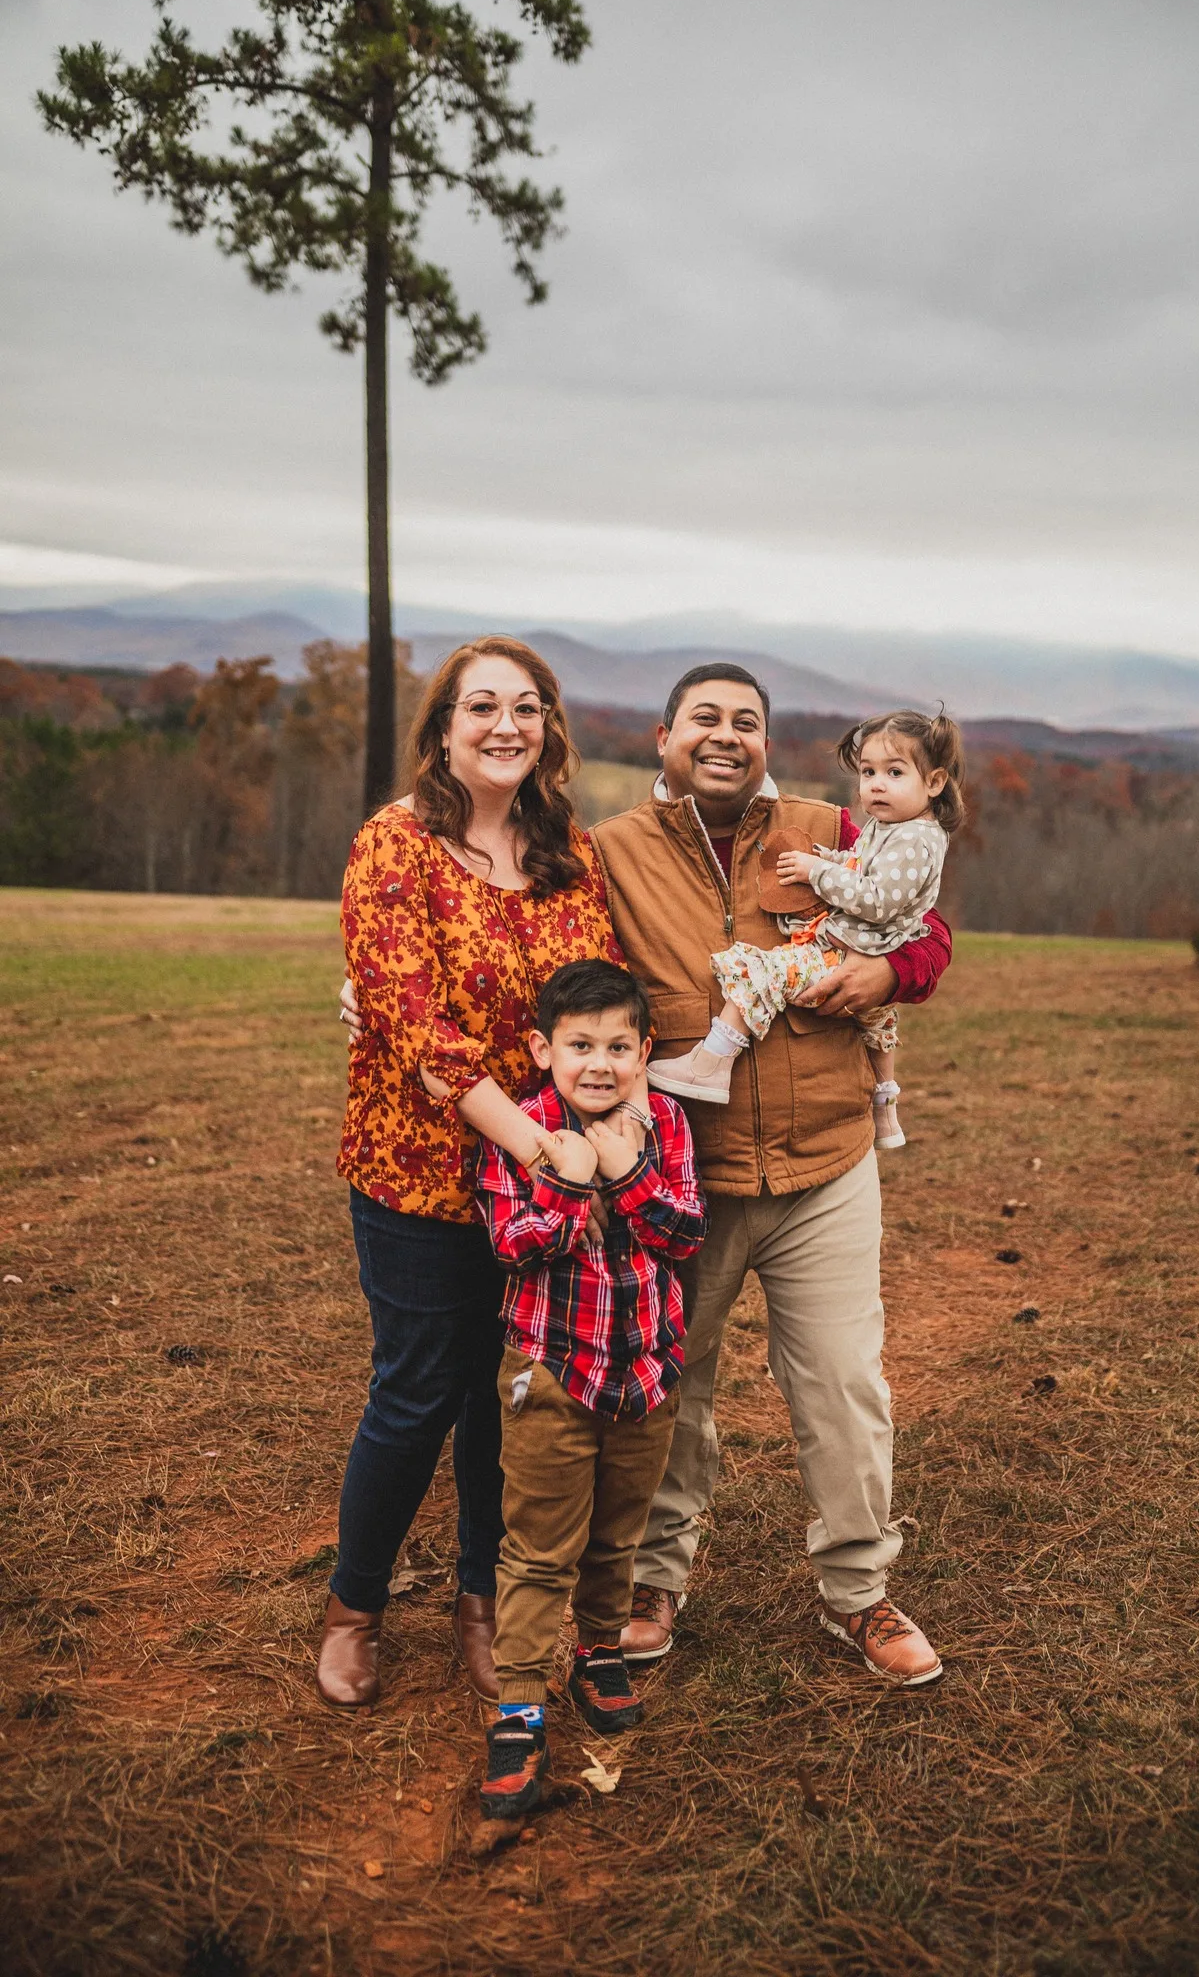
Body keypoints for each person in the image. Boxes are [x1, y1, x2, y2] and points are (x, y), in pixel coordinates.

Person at [591, 664, 952, 1684]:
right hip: (682, 1177)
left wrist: (891, 972)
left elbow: (924, 922)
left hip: (826, 1160)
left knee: (843, 1383)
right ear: (664, 736)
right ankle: (656, 1577)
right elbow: (550, 964)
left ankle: (861, 1593)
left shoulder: (828, 822)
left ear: (766, 742)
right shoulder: (611, 850)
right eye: (704, 717)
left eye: (746, 721)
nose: (726, 734)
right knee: (673, 1385)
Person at [317, 639, 620, 1712]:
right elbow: (414, 1022)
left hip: (546, 1183)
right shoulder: (392, 844)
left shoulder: (567, 849)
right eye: (481, 705)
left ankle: (483, 1601)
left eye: (527, 706)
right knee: (419, 1389)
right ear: (442, 724)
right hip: (422, 1174)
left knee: (511, 1400)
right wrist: (536, 1144)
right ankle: (355, 1605)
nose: (506, 724)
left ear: (549, 726)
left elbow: (599, 994)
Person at [474, 960, 707, 1819]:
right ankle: (520, 1702)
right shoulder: (526, 1130)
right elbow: (510, 1242)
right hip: (551, 1376)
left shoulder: (668, 1126)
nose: (599, 1064)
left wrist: (628, 1173)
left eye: (618, 1045)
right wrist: (573, 1182)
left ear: (646, 1050)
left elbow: (684, 1231)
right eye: (579, 1045)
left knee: (618, 1533)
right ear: (542, 1050)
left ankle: (599, 1648)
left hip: (645, 1373)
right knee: (539, 1547)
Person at [648, 708, 966, 1154]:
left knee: (764, 970)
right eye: (868, 771)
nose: (875, 784)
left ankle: (713, 1060)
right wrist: (822, 858)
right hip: (864, 943)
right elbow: (857, 864)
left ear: (933, 783)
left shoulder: (913, 839)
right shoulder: (890, 827)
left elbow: (877, 899)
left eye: (894, 772)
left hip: (851, 946)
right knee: (878, 1023)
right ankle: (885, 1109)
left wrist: (816, 871)